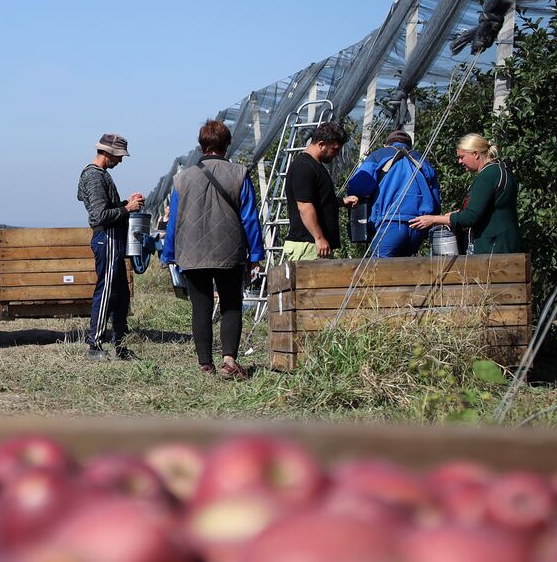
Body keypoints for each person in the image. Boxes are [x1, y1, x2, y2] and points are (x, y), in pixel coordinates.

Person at [162, 120, 265, 379]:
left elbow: (174, 219)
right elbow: (250, 218)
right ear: (227, 144)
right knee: (231, 304)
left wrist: (168, 253)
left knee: (201, 307)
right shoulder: (239, 174)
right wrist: (256, 255)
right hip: (229, 251)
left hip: (192, 251)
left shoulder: (182, 178)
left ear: (201, 145)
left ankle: (205, 364)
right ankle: (229, 360)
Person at [77, 133, 144, 360]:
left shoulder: (97, 175)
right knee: (106, 293)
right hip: (106, 239)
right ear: (109, 153)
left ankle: (121, 347)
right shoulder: (95, 177)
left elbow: (102, 207)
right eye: (119, 156)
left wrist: (126, 203)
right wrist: (127, 209)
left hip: (112, 240)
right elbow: (99, 215)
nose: (121, 161)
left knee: (120, 296)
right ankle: (94, 345)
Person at [410, 133, 520, 254]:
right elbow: (491, 209)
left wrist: (433, 219)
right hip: (505, 245)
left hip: (493, 249)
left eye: (462, 157)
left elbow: (470, 217)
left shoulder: (487, 176)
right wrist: (458, 213)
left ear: (475, 154)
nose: (459, 161)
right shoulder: (500, 170)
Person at [345, 130, 441, 257]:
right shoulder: (422, 160)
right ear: (410, 146)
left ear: (387, 144)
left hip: (389, 222)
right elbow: (436, 202)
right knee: (405, 268)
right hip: (419, 225)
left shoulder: (378, 156)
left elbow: (358, 188)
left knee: (379, 270)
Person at [284, 121, 357, 260]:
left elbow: (317, 199)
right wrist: (319, 237)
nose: (336, 154)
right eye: (334, 149)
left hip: (316, 245)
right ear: (321, 144)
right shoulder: (303, 167)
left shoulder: (315, 166)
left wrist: (341, 202)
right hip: (309, 245)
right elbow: (305, 206)